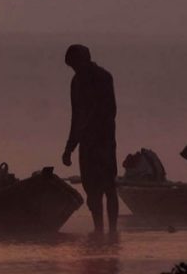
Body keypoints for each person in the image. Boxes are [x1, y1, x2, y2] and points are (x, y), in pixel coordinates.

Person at [61, 44, 118, 232]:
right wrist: (70, 147)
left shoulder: (103, 77)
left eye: (75, 64)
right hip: (87, 143)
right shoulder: (76, 82)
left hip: (104, 141)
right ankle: (99, 229)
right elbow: (75, 116)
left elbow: (110, 110)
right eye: (72, 67)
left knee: (109, 187)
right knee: (92, 190)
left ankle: (113, 231)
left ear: (84, 59)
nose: (75, 69)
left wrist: (91, 126)